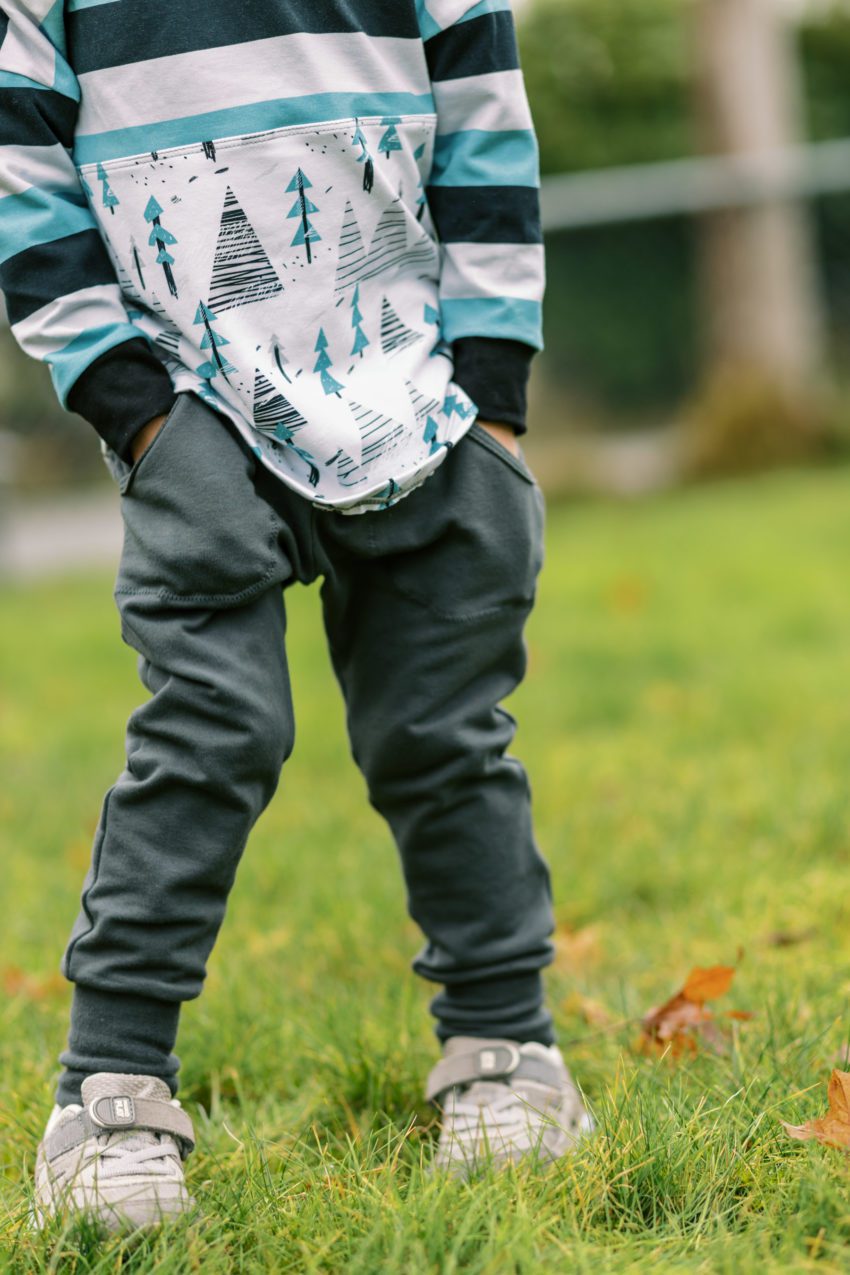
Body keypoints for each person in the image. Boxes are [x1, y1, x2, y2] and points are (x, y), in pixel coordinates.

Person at [0, 0, 593, 1231]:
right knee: (210, 736)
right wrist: (138, 413)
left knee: (445, 743)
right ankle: (108, 1091)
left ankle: (504, 1053)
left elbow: (488, 144)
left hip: (424, 404)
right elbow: (22, 179)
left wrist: (490, 396)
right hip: (194, 418)